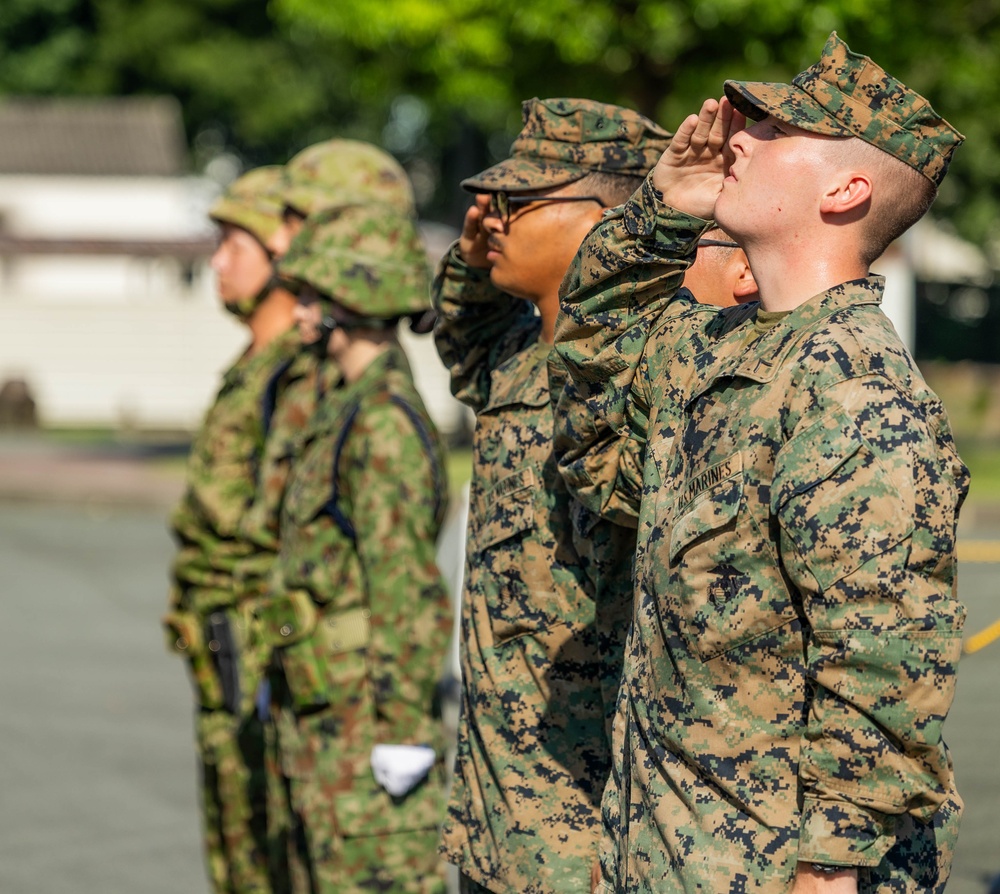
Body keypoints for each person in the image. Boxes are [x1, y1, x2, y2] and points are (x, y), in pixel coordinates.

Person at [555, 32, 968, 894]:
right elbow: (593, 383)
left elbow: (882, 668)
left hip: (779, 870)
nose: (738, 138)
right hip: (665, 850)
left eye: (778, 133)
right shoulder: (710, 350)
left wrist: (829, 872)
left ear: (847, 188)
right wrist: (663, 213)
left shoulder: (854, 392)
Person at [432, 97, 672, 893]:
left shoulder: (647, 365)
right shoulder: (515, 349)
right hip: (495, 812)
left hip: (588, 825)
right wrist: (470, 263)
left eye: (518, 201)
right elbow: (458, 339)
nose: (488, 218)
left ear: (610, 216)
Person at [251, 203, 453, 894]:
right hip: (320, 712)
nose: (299, 310)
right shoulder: (344, 405)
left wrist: (402, 731)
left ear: (354, 299)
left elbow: (405, 589)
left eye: (311, 295)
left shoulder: (382, 424)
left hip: (363, 725)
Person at [163, 164, 299, 894]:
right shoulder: (252, 365)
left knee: (269, 857)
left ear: (282, 252)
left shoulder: (294, 373)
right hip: (220, 647)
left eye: (234, 244)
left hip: (257, 649)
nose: (218, 261)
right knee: (235, 857)